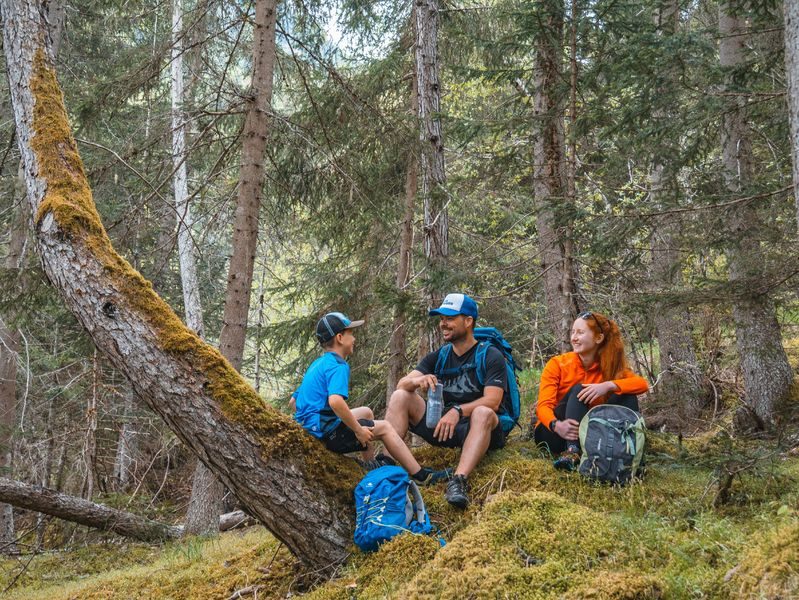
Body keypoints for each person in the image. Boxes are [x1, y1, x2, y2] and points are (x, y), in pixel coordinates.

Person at [294, 312, 449, 485]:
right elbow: (335, 401)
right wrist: (358, 431)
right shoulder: (338, 365)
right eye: (350, 334)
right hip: (325, 432)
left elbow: (294, 401)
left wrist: (310, 423)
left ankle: (371, 467)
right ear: (339, 338)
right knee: (385, 428)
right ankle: (422, 476)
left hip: (313, 425)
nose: (354, 338)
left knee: (366, 412)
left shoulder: (317, 364)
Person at [385, 293, 509, 509]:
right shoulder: (439, 356)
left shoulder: (490, 355)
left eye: (450, 318)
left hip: (479, 429)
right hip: (445, 428)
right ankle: (384, 466)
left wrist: (458, 411)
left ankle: (459, 480)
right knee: (401, 396)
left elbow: (493, 401)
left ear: (468, 321)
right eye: (441, 318)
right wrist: (419, 380)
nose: (443, 324)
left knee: (482, 412)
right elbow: (401, 385)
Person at [533, 311, 649, 471]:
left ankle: (627, 450)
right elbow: (543, 406)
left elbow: (642, 384)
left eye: (580, 332)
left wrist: (608, 385)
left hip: (590, 433)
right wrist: (556, 425)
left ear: (598, 338)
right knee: (580, 389)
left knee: (626, 393)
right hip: (554, 433)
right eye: (573, 332)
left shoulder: (609, 366)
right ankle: (572, 453)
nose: (574, 337)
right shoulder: (558, 364)